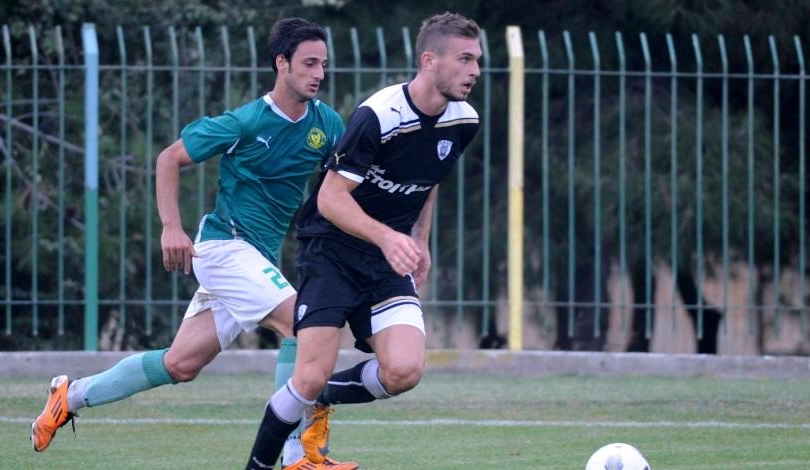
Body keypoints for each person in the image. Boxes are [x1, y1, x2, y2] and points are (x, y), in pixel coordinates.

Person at [29, 17, 357, 470]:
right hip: (226, 248)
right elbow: (169, 158)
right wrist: (171, 227)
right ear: (281, 64)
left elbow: (340, 185)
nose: (319, 73)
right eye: (309, 63)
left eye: (323, 64)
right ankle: (298, 455)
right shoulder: (246, 121)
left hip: (254, 258)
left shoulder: (327, 123)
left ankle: (70, 396)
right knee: (305, 328)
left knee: (180, 364)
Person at [244, 12, 482, 469]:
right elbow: (330, 198)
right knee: (307, 377)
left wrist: (420, 239)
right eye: (465, 59)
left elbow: (430, 178)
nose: (475, 71)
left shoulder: (464, 120)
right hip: (330, 252)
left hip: (386, 260)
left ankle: (318, 401)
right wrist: (388, 236)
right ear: (430, 61)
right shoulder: (380, 115)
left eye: (477, 60)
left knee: (404, 371)